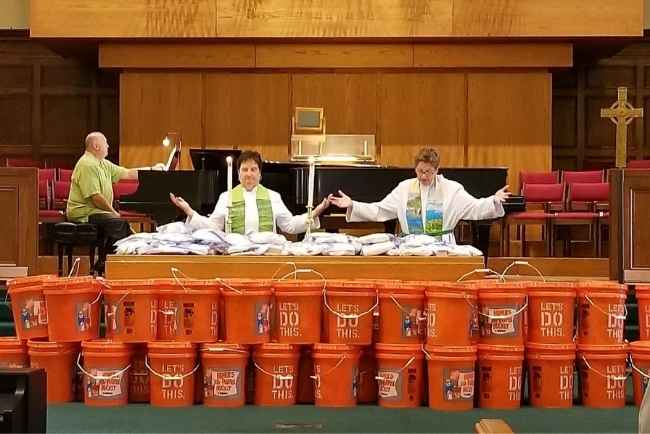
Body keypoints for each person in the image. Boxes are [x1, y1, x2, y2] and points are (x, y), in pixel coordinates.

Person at [328, 147, 510, 244]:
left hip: (442, 248)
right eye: (420, 171)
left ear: (437, 170)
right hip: (411, 247)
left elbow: (475, 208)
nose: (424, 176)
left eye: (429, 172)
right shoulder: (404, 189)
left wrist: (492, 200)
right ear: (415, 168)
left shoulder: (452, 190)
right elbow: (379, 210)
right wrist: (353, 205)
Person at [66, 131, 165, 274]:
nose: (108, 145)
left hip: (97, 211)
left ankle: (108, 262)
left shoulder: (103, 164)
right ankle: (107, 262)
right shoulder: (87, 164)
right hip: (83, 212)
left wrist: (152, 170)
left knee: (119, 222)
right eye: (105, 142)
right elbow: (96, 197)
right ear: (96, 146)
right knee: (117, 222)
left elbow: (128, 173)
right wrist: (113, 213)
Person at [170, 150, 329, 234]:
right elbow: (213, 226)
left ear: (260, 174)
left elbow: (289, 226)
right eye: (244, 169)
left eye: (253, 169)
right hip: (237, 254)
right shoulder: (227, 197)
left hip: (266, 254)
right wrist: (189, 211)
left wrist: (316, 212)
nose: (249, 173)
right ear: (238, 174)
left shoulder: (273, 197)